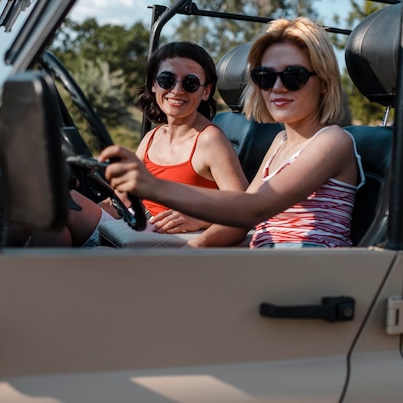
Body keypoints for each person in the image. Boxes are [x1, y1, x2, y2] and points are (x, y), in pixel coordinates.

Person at [99, 17, 366, 248]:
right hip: (265, 261)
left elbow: (253, 210)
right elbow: (242, 209)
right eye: (265, 76)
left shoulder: (332, 141)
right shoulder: (281, 141)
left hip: (309, 274)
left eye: (293, 76)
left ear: (324, 82)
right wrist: (194, 250)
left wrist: (154, 187)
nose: (278, 87)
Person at [23, 41, 248, 247]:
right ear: (153, 85)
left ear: (206, 91)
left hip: (167, 239)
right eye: (166, 80)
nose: (177, 90)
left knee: (55, 200)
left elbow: (245, 209)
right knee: (50, 219)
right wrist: (98, 208)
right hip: (136, 224)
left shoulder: (210, 139)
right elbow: (124, 196)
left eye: (190, 83)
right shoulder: (153, 137)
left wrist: (200, 218)